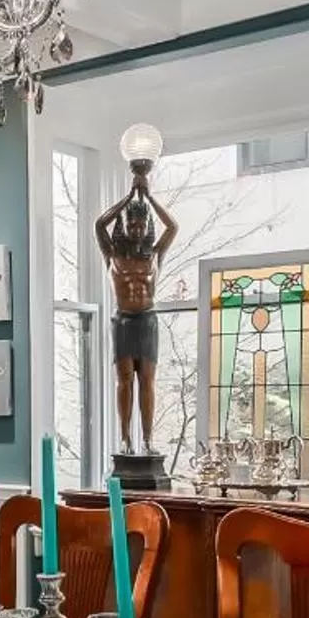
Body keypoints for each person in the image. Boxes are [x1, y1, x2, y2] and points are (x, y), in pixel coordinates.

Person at [95, 166, 179, 453]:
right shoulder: (112, 254)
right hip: (123, 321)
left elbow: (173, 227)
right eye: (132, 224)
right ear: (126, 224)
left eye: (141, 225)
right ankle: (124, 438)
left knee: (147, 381)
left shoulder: (155, 254)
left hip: (147, 320)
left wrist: (149, 197)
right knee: (124, 381)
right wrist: (129, 195)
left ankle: (146, 439)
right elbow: (99, 224)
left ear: (146, 226)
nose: (137, 229)